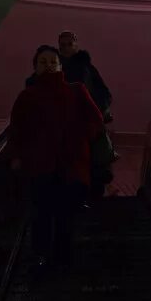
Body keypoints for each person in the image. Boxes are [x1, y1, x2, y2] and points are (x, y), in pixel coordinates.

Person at [9, 45, 104, 270]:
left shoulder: (77, 90)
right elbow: (17, 128)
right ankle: (43, 256)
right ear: (35, 67)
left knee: (65, 215)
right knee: (42, 213)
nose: (49, 65)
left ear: (61, 66)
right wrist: (16, 156)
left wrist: (81, 137)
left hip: (70, 164)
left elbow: (96, 120)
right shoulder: (27, 96)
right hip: (40, 164)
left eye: (53, 61)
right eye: (43, 62)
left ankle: (60, 258)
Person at [57, 30, 115, 200]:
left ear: (76, 44)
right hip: (67, 125)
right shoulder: (58, 67)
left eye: (69, 44)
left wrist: (95, 109)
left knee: (91, 163)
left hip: (86, 124)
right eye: (63, 45)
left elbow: (104, 93)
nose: (66, 48)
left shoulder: (86, 67)